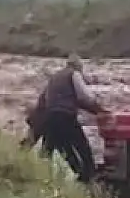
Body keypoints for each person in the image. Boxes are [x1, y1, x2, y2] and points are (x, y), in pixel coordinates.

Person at [40, 54, 105, 183]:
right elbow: (84, 96)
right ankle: (90, 175)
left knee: (59, 149)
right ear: (78, 66)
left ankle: (42, 177)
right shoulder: (74, 75)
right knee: (82, 146)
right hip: (66, 116)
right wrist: (99, 109)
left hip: (50, 117)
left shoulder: (55, 77)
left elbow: (46, 98)